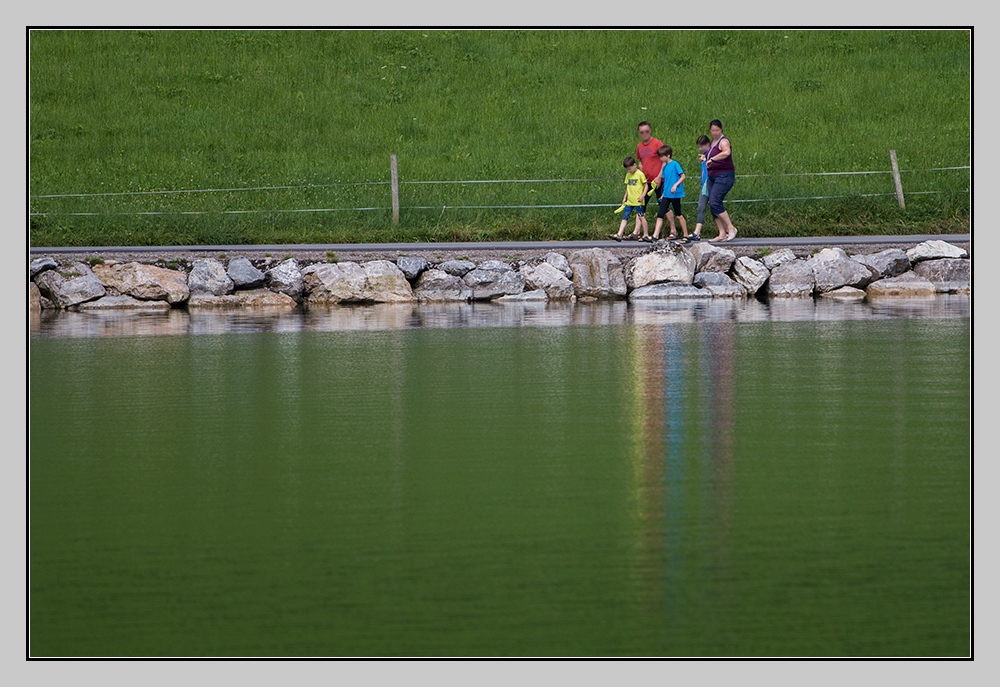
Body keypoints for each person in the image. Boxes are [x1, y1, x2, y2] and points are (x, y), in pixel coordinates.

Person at [704, 119, 738, 242]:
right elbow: (709, 155)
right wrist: (705, 157)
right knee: (712, 205)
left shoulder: (723, 141)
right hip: (712, 176)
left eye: (717, 130)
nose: (714, 132)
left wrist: (712, 159)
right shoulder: (713, 142)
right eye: (712, 130)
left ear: (721, 129)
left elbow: (726, 152)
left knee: (715, 202)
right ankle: (721, 233)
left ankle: (730, 228)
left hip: (724, 176)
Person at [651, 145, 688, 241]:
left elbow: (683, 176)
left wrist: (675, 185)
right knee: (660, 214)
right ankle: (655, 235)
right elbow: (666, 182)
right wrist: (663, 194)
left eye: (661, 156)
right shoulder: (664, 167)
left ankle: (686, 235)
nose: (660, 158)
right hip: (666, 194)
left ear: (668, 155)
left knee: (678, 215)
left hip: (675, 194)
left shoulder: (675, 164)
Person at [609, 156, 650, 242]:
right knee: (625, 216)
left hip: (638, 201)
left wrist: (643, 196)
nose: (629, 171)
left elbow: (646, 186)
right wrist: (624, 198)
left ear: (634, 165)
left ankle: (646, 234)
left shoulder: (640, 174)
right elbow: (628, 187)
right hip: (630, 201)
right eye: (627, 169)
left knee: (641, 217)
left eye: (630, 169)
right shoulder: (628, 175)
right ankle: (619, 234)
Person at [685, 134, 712, 243]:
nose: (700, 149)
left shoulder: (712, 154)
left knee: (716, 208)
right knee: (701, 207)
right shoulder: (704, 155)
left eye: (702, 146)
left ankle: (727, 229)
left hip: (712, 184)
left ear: (707, 144)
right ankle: (697, 232)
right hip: (704, 185)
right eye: (699, 147)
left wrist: (707, 159)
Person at [636, 121, 665, 222]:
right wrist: (641, 171)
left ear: (650, 131)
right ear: (639, 133)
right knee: (641, 204)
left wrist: (659, 177)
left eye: (647, 131)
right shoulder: (640, 146)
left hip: (658, 180)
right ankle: (638, 231)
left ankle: (673, 230)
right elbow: (640, 161)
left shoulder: (658, 144)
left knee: (664, 205)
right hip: (646, 181)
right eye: (642, 132)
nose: (645, 134)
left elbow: (665, 162)